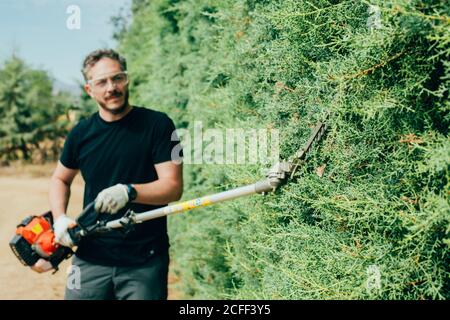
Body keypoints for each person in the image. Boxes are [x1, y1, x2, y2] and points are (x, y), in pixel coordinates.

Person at [31, 49, 183, 300]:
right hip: (89, 256)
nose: (111, 87)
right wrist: (59, 219)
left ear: (126, 79)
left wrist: (129, 191)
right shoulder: (80, 133)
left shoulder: (159, 125)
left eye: (117, 78)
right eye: (101, 82)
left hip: (144, 260)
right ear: (89, 90)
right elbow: (60, 178)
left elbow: (173, 187)